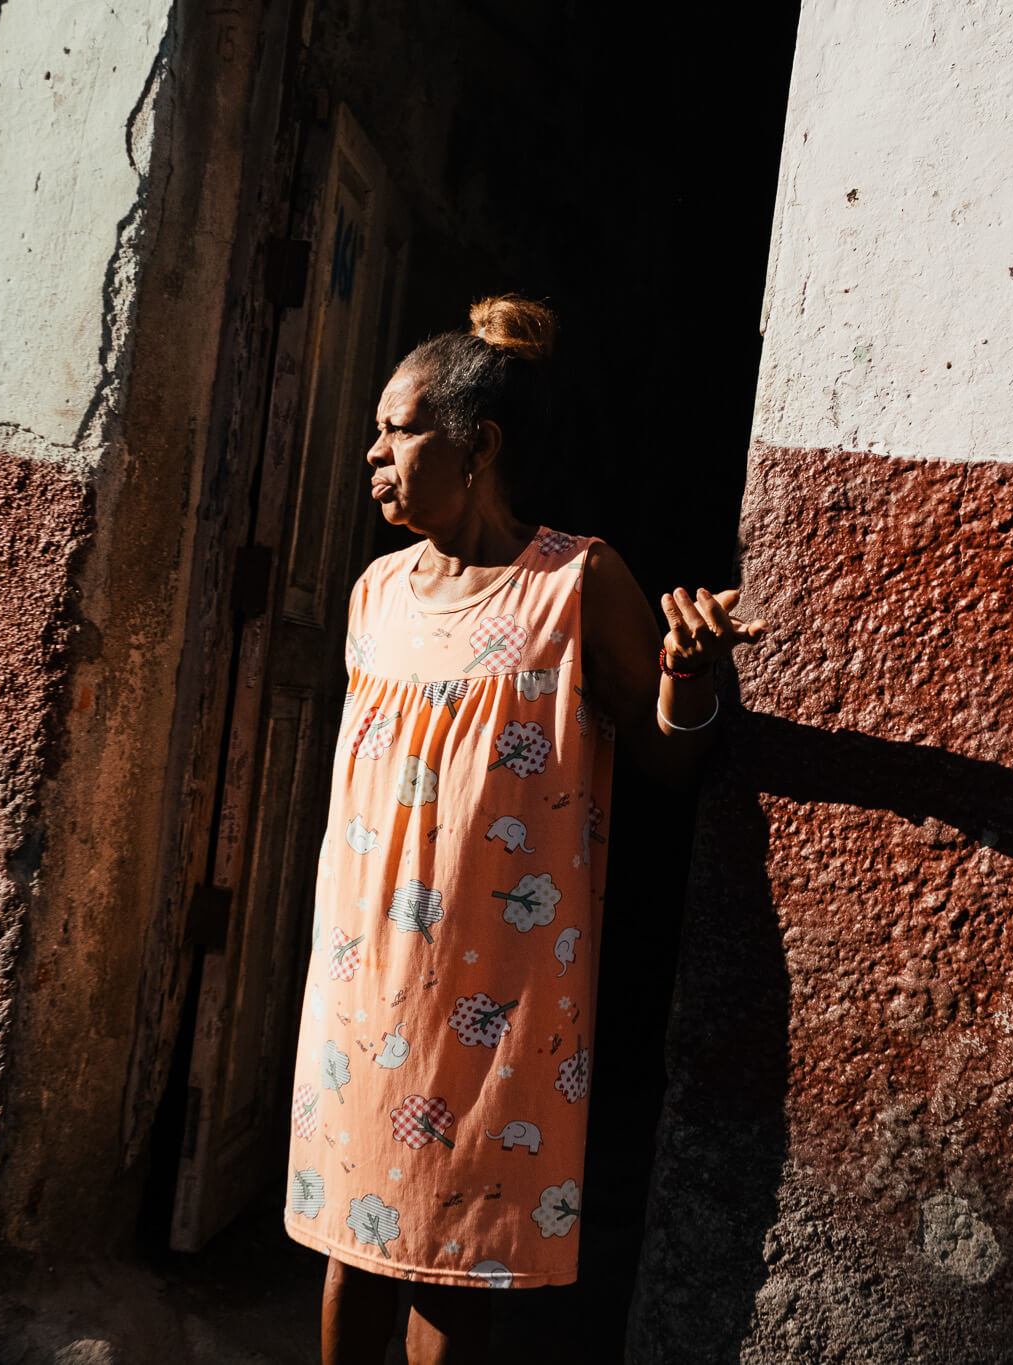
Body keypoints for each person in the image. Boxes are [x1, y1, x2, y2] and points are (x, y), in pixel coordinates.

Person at [280, 295, 765, 1363]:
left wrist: (687, 683)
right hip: (366, 981)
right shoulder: (373, 593)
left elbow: (669, 761)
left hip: (496, 1002)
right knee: (348, 1249)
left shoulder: (575, 584)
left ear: (476, 445)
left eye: (398, 430)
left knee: (454, 1262)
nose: (373, 451)